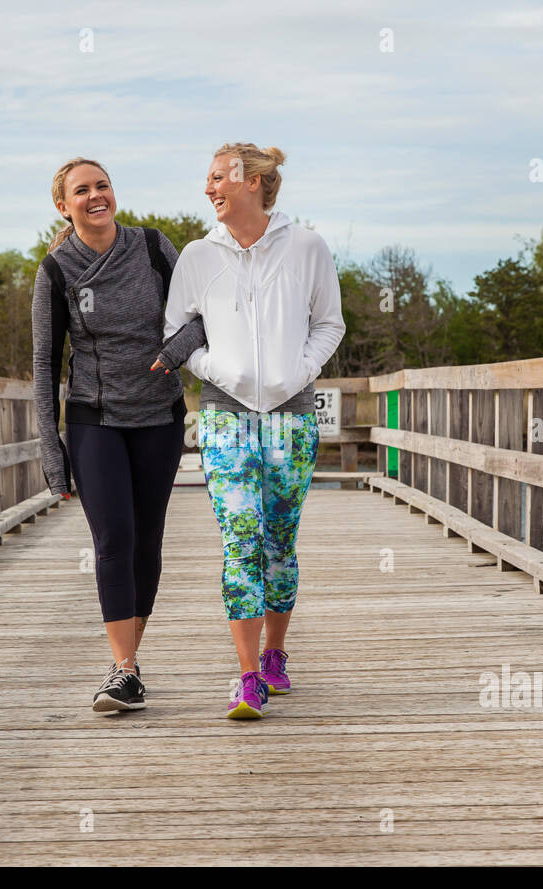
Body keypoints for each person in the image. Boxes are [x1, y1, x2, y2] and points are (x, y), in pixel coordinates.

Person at [154, 143, 345, 719]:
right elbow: (178, 331)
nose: (209, 188)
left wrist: (301, 370)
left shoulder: (307, 246)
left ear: (254, 180)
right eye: (208, 179)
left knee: (277, 546)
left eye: (218, 178)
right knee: (240, 541)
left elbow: (329, 323)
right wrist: (222, 371)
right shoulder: (196, 255)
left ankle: (275, 656)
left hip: (291, 420)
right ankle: (245, 679)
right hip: (223, 417)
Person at [33, 157, 196, 714]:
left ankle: (130, 664)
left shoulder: (152, 247)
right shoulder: (56, 271)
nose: (96, 196)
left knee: (148, 541)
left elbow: (203, 314)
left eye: (103, 185)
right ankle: (123, 668)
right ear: (64, 206)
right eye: (83, 190)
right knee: (113, 541)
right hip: (92, 419)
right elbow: (43, 365)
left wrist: (175, 352)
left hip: (159, 417)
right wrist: (50, 448)